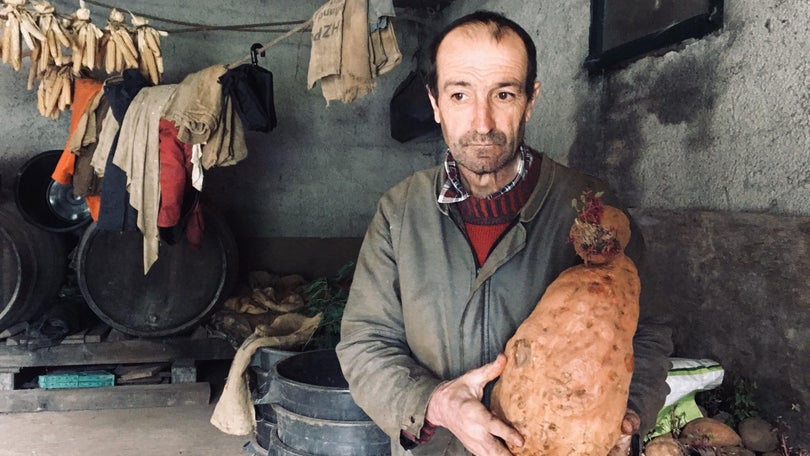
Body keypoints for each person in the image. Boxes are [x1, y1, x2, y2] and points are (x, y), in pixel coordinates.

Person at [336, 10, 672, 456]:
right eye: (460, 94)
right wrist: (434, 404)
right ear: (435, 103)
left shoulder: (592, 211)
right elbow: (365, 342)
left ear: (530, 100)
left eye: (504, 94)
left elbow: (646, 329)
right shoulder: (400, 212)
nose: (482, 122)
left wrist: (627, 413)